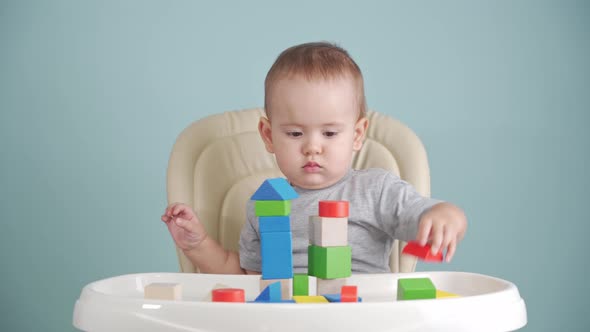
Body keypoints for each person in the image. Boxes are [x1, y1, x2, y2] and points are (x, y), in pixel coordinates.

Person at [161, 42, 467, 274]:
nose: (312, 148)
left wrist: (447, 216)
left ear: (358, 134)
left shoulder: (376, 191)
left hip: (360, 318)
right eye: (295, 134)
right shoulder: (263, 203)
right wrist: (198, 246)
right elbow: (246, 278)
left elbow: (427, 216)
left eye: (330, 134)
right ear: (268, 136)